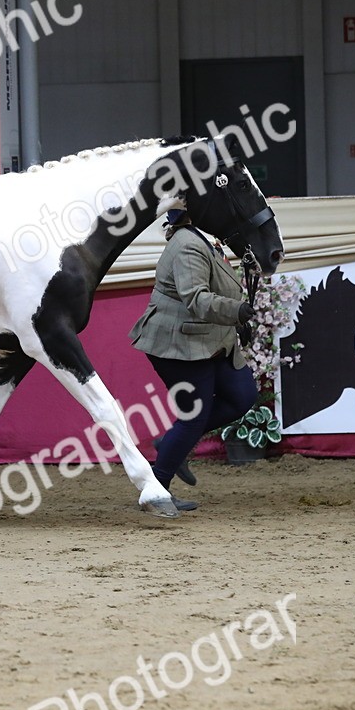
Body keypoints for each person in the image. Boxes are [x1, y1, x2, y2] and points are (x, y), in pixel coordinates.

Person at [128, 207, 259, 511]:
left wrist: (237, 320)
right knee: (193, 417)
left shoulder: (204, 239)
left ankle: (172, 444)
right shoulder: (188, 244)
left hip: (207, 340)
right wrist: (236, 311)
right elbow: (196, 298)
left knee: (242, 396)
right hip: (179, 343)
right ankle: (156, 491)